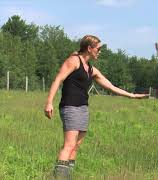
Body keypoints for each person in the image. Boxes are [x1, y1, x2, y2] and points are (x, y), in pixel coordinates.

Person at [44, 35, 148, 178]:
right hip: (70, 107)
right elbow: (58, 79)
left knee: (76, 146)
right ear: (89, 48)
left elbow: (111, 87)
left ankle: (68, 176)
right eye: (98, 49)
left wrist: (132, 95)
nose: (100, 52)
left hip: (83, 109)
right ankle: (59, 177)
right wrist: (49, 102)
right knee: (69, 145)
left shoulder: (91, 70)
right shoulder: (74, 61)